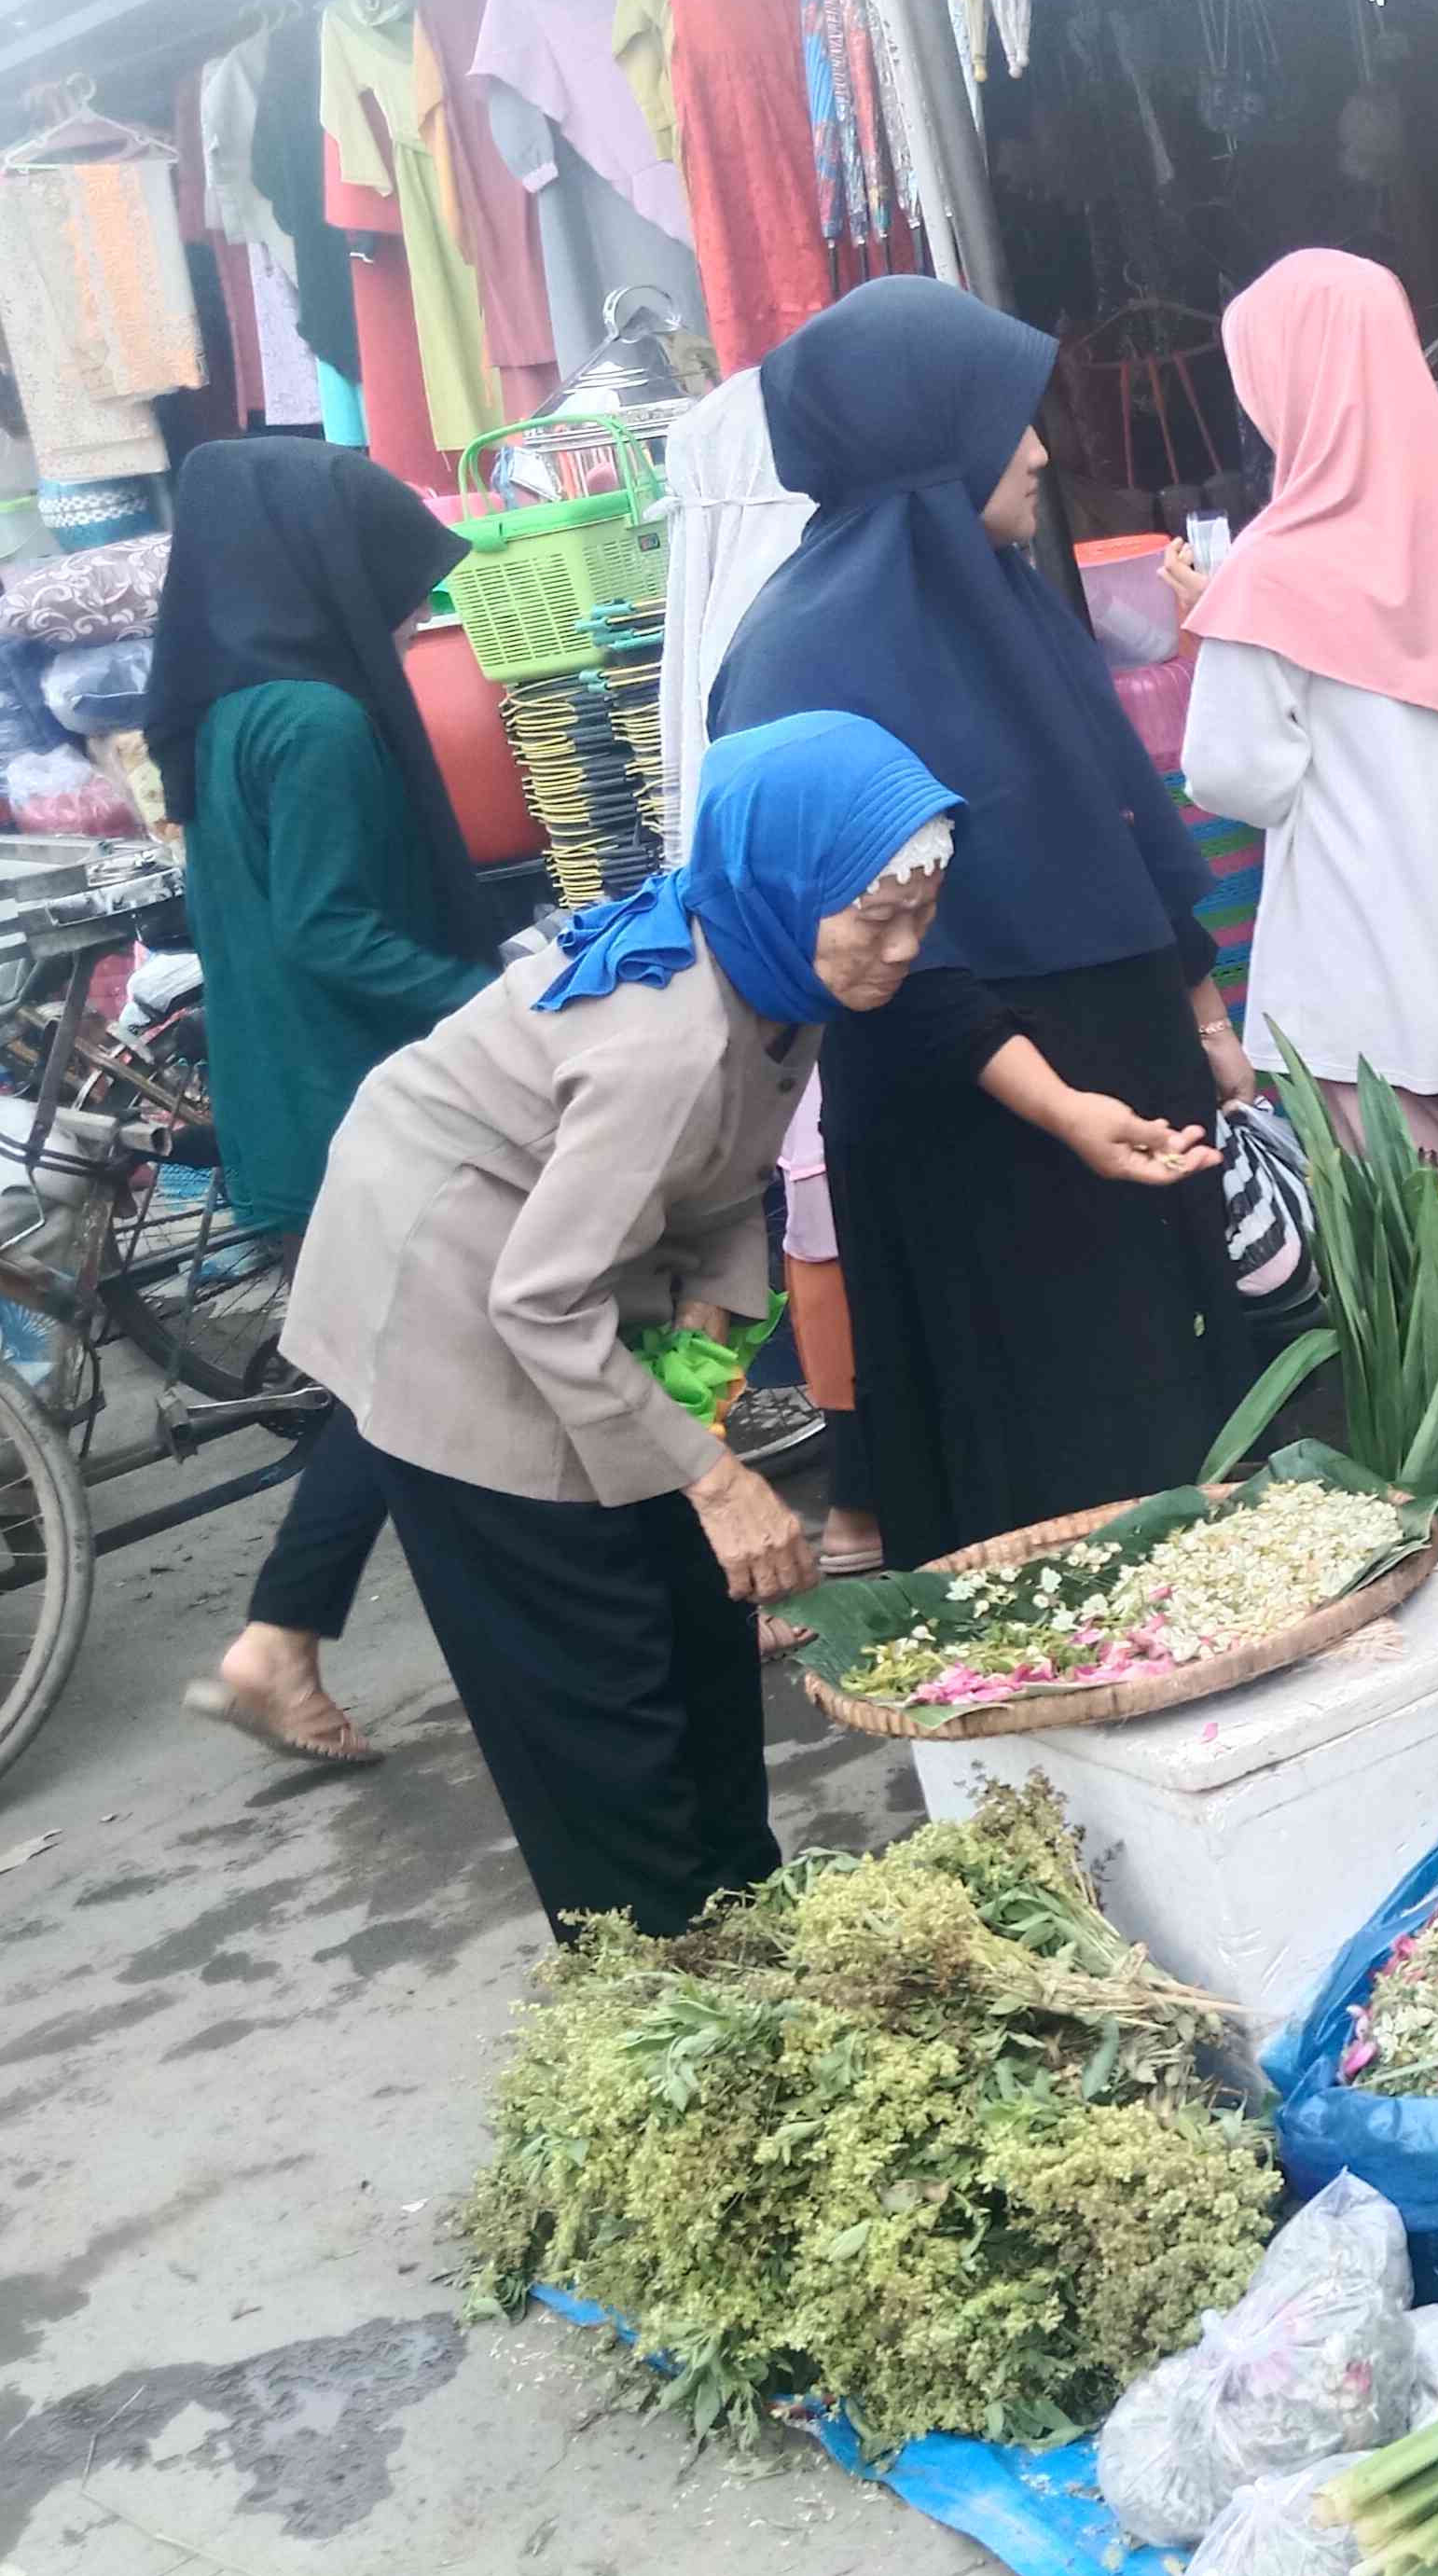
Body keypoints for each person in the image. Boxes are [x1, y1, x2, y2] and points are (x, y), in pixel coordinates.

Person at [283, 712, 956, 1937]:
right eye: (878, 916)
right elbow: (536, 1301)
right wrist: (714, 1475)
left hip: (574, 1264)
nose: (903, 950)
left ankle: (742, 1918)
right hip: (449, 1282)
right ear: (786, 878)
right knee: (596, 1671)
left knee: (695, 1615)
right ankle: (652, 1967)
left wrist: (692, 1395)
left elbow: (728, 1180)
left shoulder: (770, 957)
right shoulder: (667, 1043)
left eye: (923, 911)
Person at [710, 275, 1254, 1566]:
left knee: (1183, 1454)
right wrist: (1066, 1107)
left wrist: (1205, 1023)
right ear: (927, 432)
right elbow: (881, 965)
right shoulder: (803, 651)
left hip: (1123, 1111)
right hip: (979, 1145)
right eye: (1009, 414)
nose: (1042, 450)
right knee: (1047, 1488)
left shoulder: (1003, 598)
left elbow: (1122, 826)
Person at [147, 439, 503, 1768]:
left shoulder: (231, 711)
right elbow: (332, 932)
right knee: (414, 1374)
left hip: (287, 1096)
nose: (409, 618)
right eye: (396, 585)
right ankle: (275, 1643)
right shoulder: (320, 722)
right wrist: (495, 988)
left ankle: (280, 1645)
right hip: (359, 1103)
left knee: (399, 1371)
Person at [1161, 250, 1438, 1193]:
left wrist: (1221, 619)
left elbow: (1234, 775)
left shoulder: (1272, 569)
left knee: (1421, 1296)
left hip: (1357, 998)